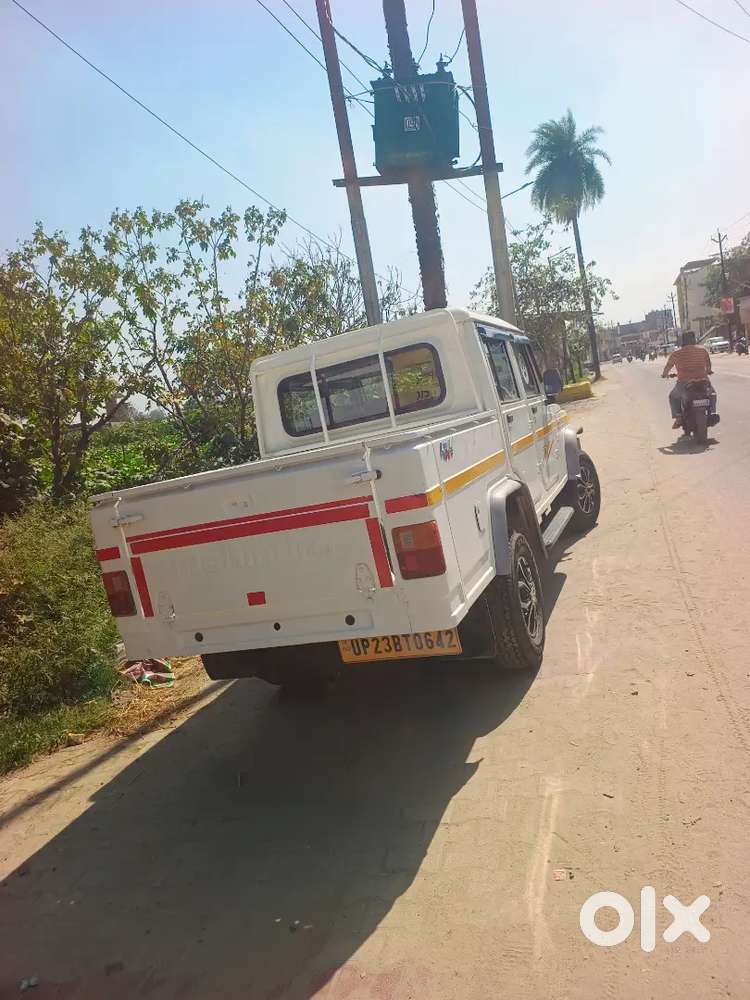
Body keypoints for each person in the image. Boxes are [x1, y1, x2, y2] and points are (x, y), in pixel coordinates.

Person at [661, 331, 713, 428]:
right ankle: (712, 411)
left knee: (673, 397)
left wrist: (665, 374)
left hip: (684, 383)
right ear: (694, 340)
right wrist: (709, 371)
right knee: (712, 394)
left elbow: (668, 367)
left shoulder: (676, 354)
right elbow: (708, 365)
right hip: (703, 380)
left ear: (682, 341)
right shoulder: (703, 351)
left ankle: (679, 417)